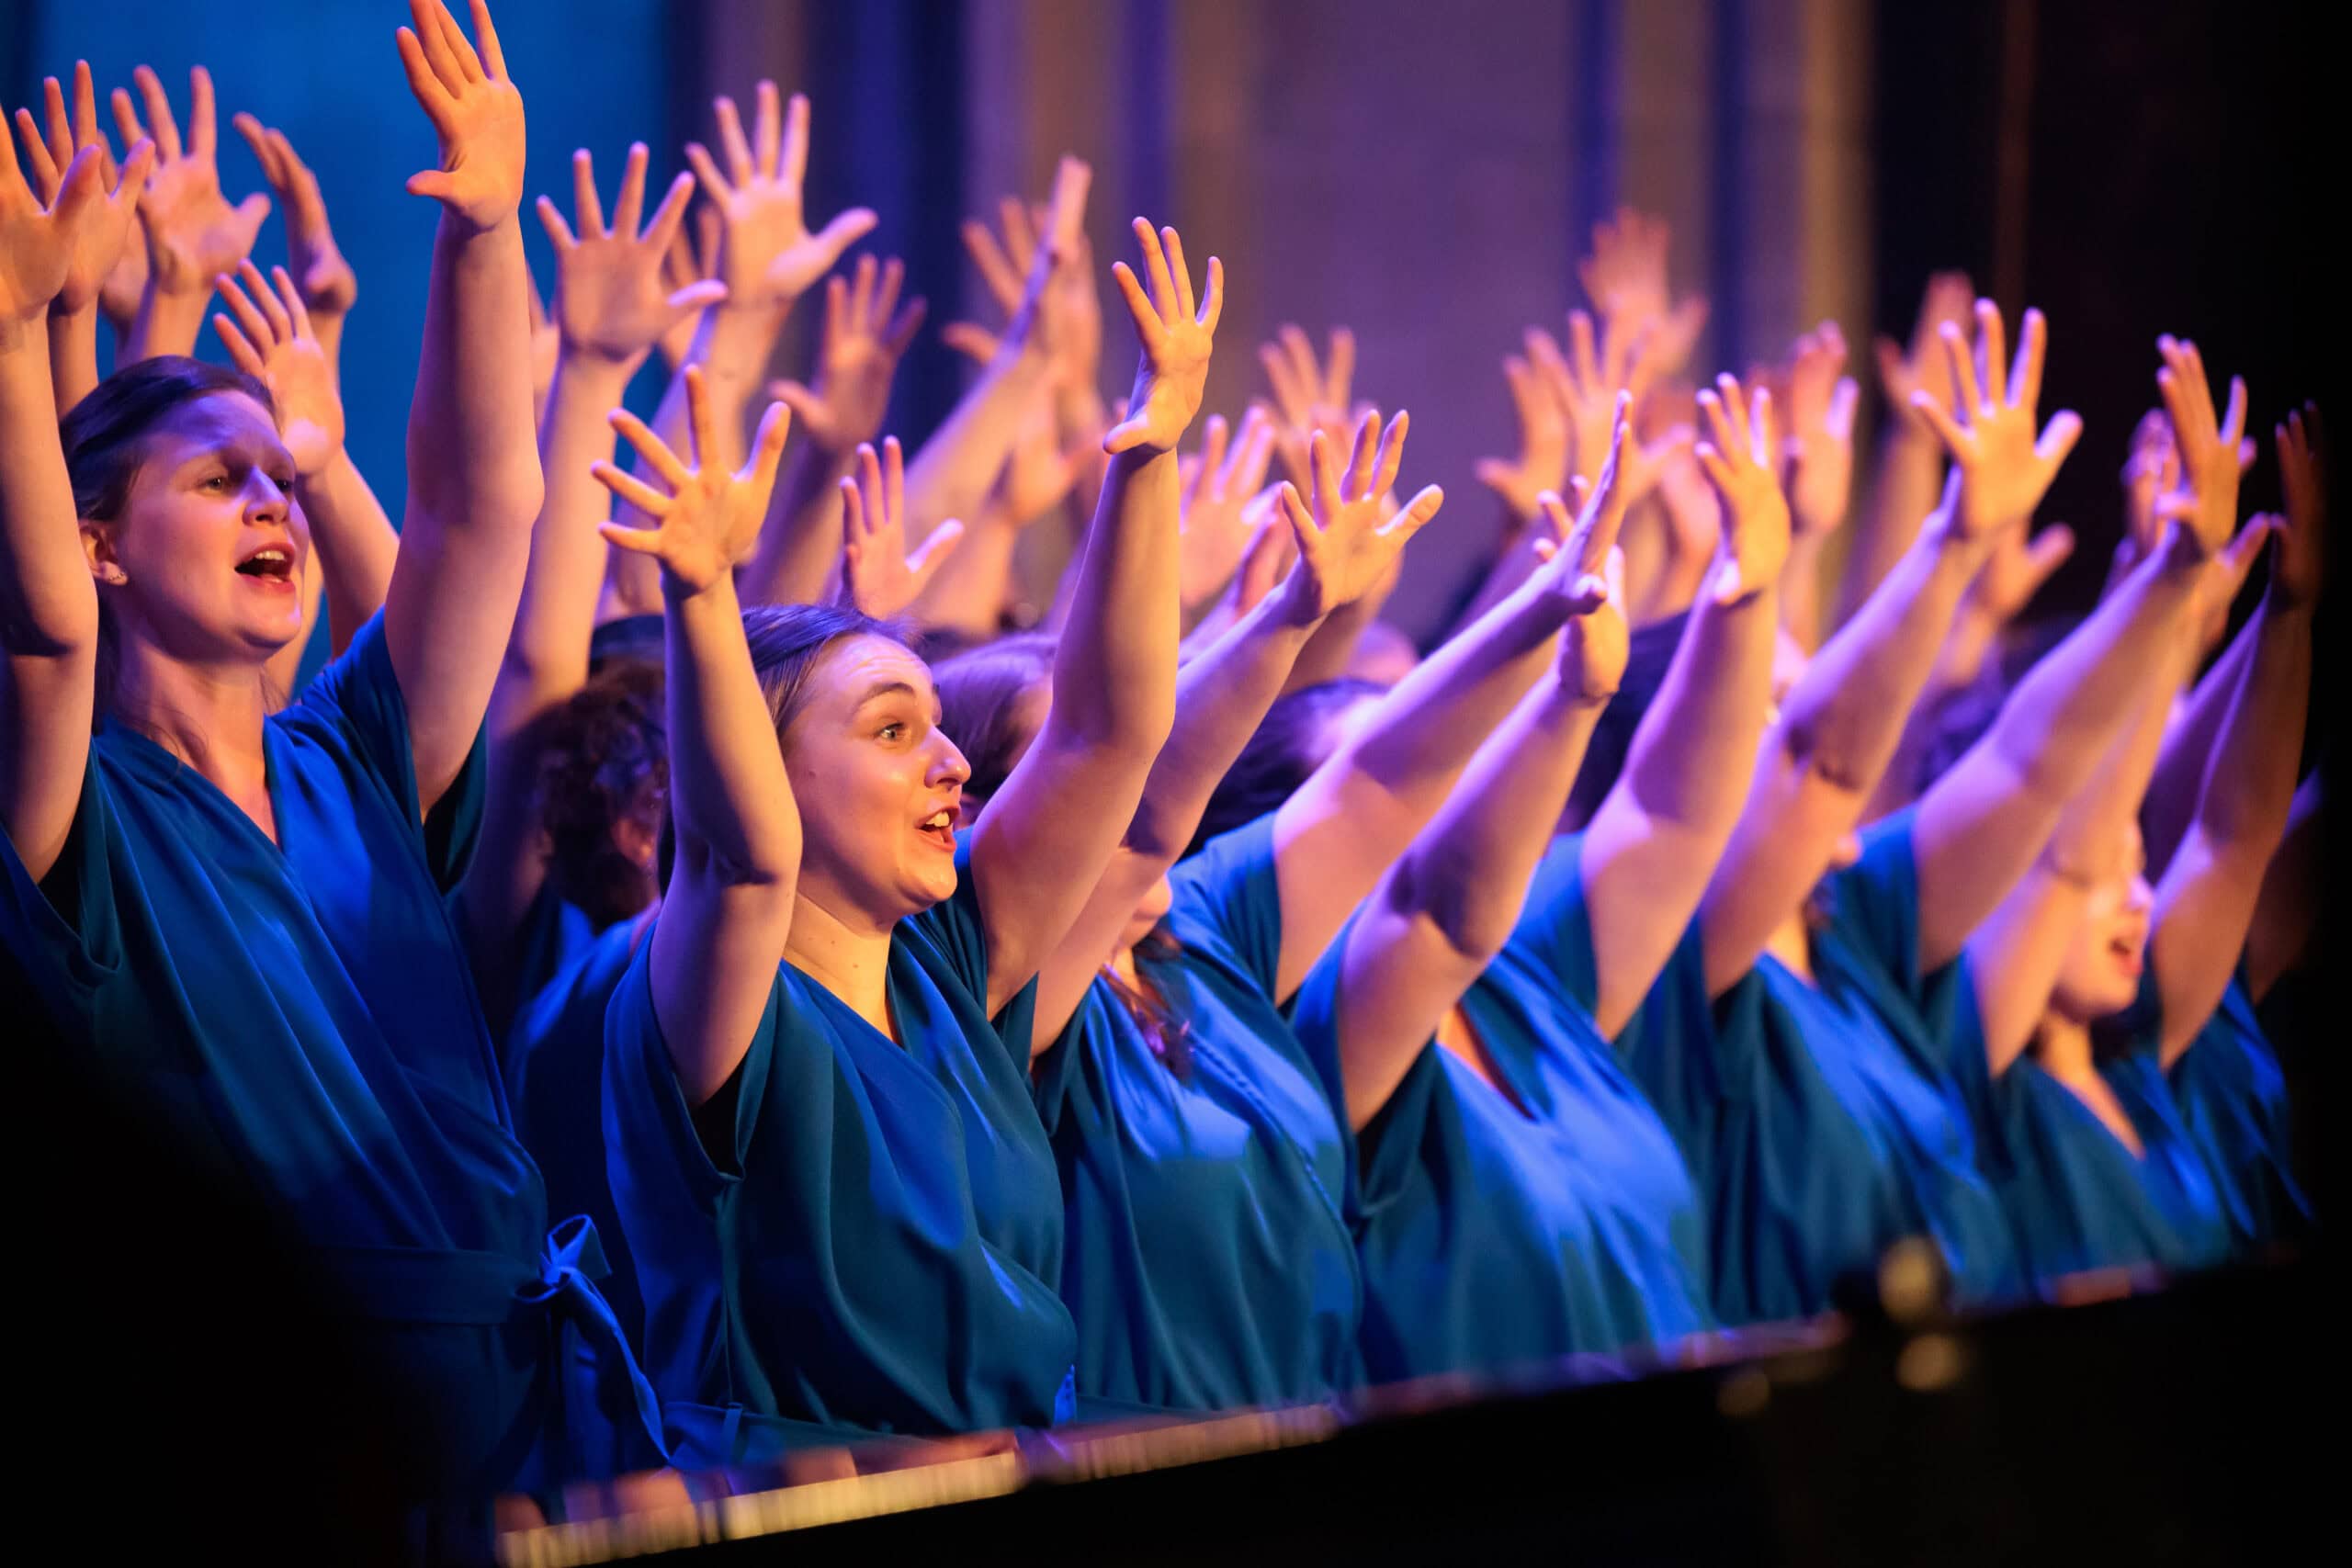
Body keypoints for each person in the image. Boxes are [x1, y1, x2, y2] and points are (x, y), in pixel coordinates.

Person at [0, 0, 662, 1502]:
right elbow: (42, 634)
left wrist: (486, 229)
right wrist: (15, 327)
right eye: (220, 478)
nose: (274, 506)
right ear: (101, 541)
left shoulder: (355, 760)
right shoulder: (76, 814)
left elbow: (479, 513)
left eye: (280, 480)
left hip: (513, 1410)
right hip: (261, 1432)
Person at [599, 210, 1210, 1461]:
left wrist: (1144, 456)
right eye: (890, 730)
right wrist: (704, 595)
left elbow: (1105, 732)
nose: (949, 761)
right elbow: (741, 852)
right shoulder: (722, 997)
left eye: (940, 724)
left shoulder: (954, 969)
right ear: (767, 766)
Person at [1613, 307, 2240, 1323]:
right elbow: (1824, 765)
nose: (1810, 730)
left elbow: (2038, 775)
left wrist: (2167, 582)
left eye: (1801, 697)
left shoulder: (1861, 937)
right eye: (1771, 720)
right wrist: (1950, 543)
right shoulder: (1681, 969)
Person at [937, 402, 1444, 1412]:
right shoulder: (1004, 993)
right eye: (1083, 771)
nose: (1126, 778)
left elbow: (1381, 783)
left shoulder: (1195, 944)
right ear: (984, 816)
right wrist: (1276, 604)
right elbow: (1141, 810)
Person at [1286, 378, 1785, 1379]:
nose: (1423, 800)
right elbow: (1433, 915)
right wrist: (1569, 692)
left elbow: (1673, 815)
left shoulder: (1530, 971)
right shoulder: (1321, 1033)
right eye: (1377, 782)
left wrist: (1744, 592)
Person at [1965, 388, 2317, 1277]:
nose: (2137, 896)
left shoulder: (2140, 1065)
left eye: (2135, 869)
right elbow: (2096, 799)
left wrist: (2289, 610)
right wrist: (2156, 587)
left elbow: (2234, 837)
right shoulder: (1983, 1082)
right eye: (2096, 875)